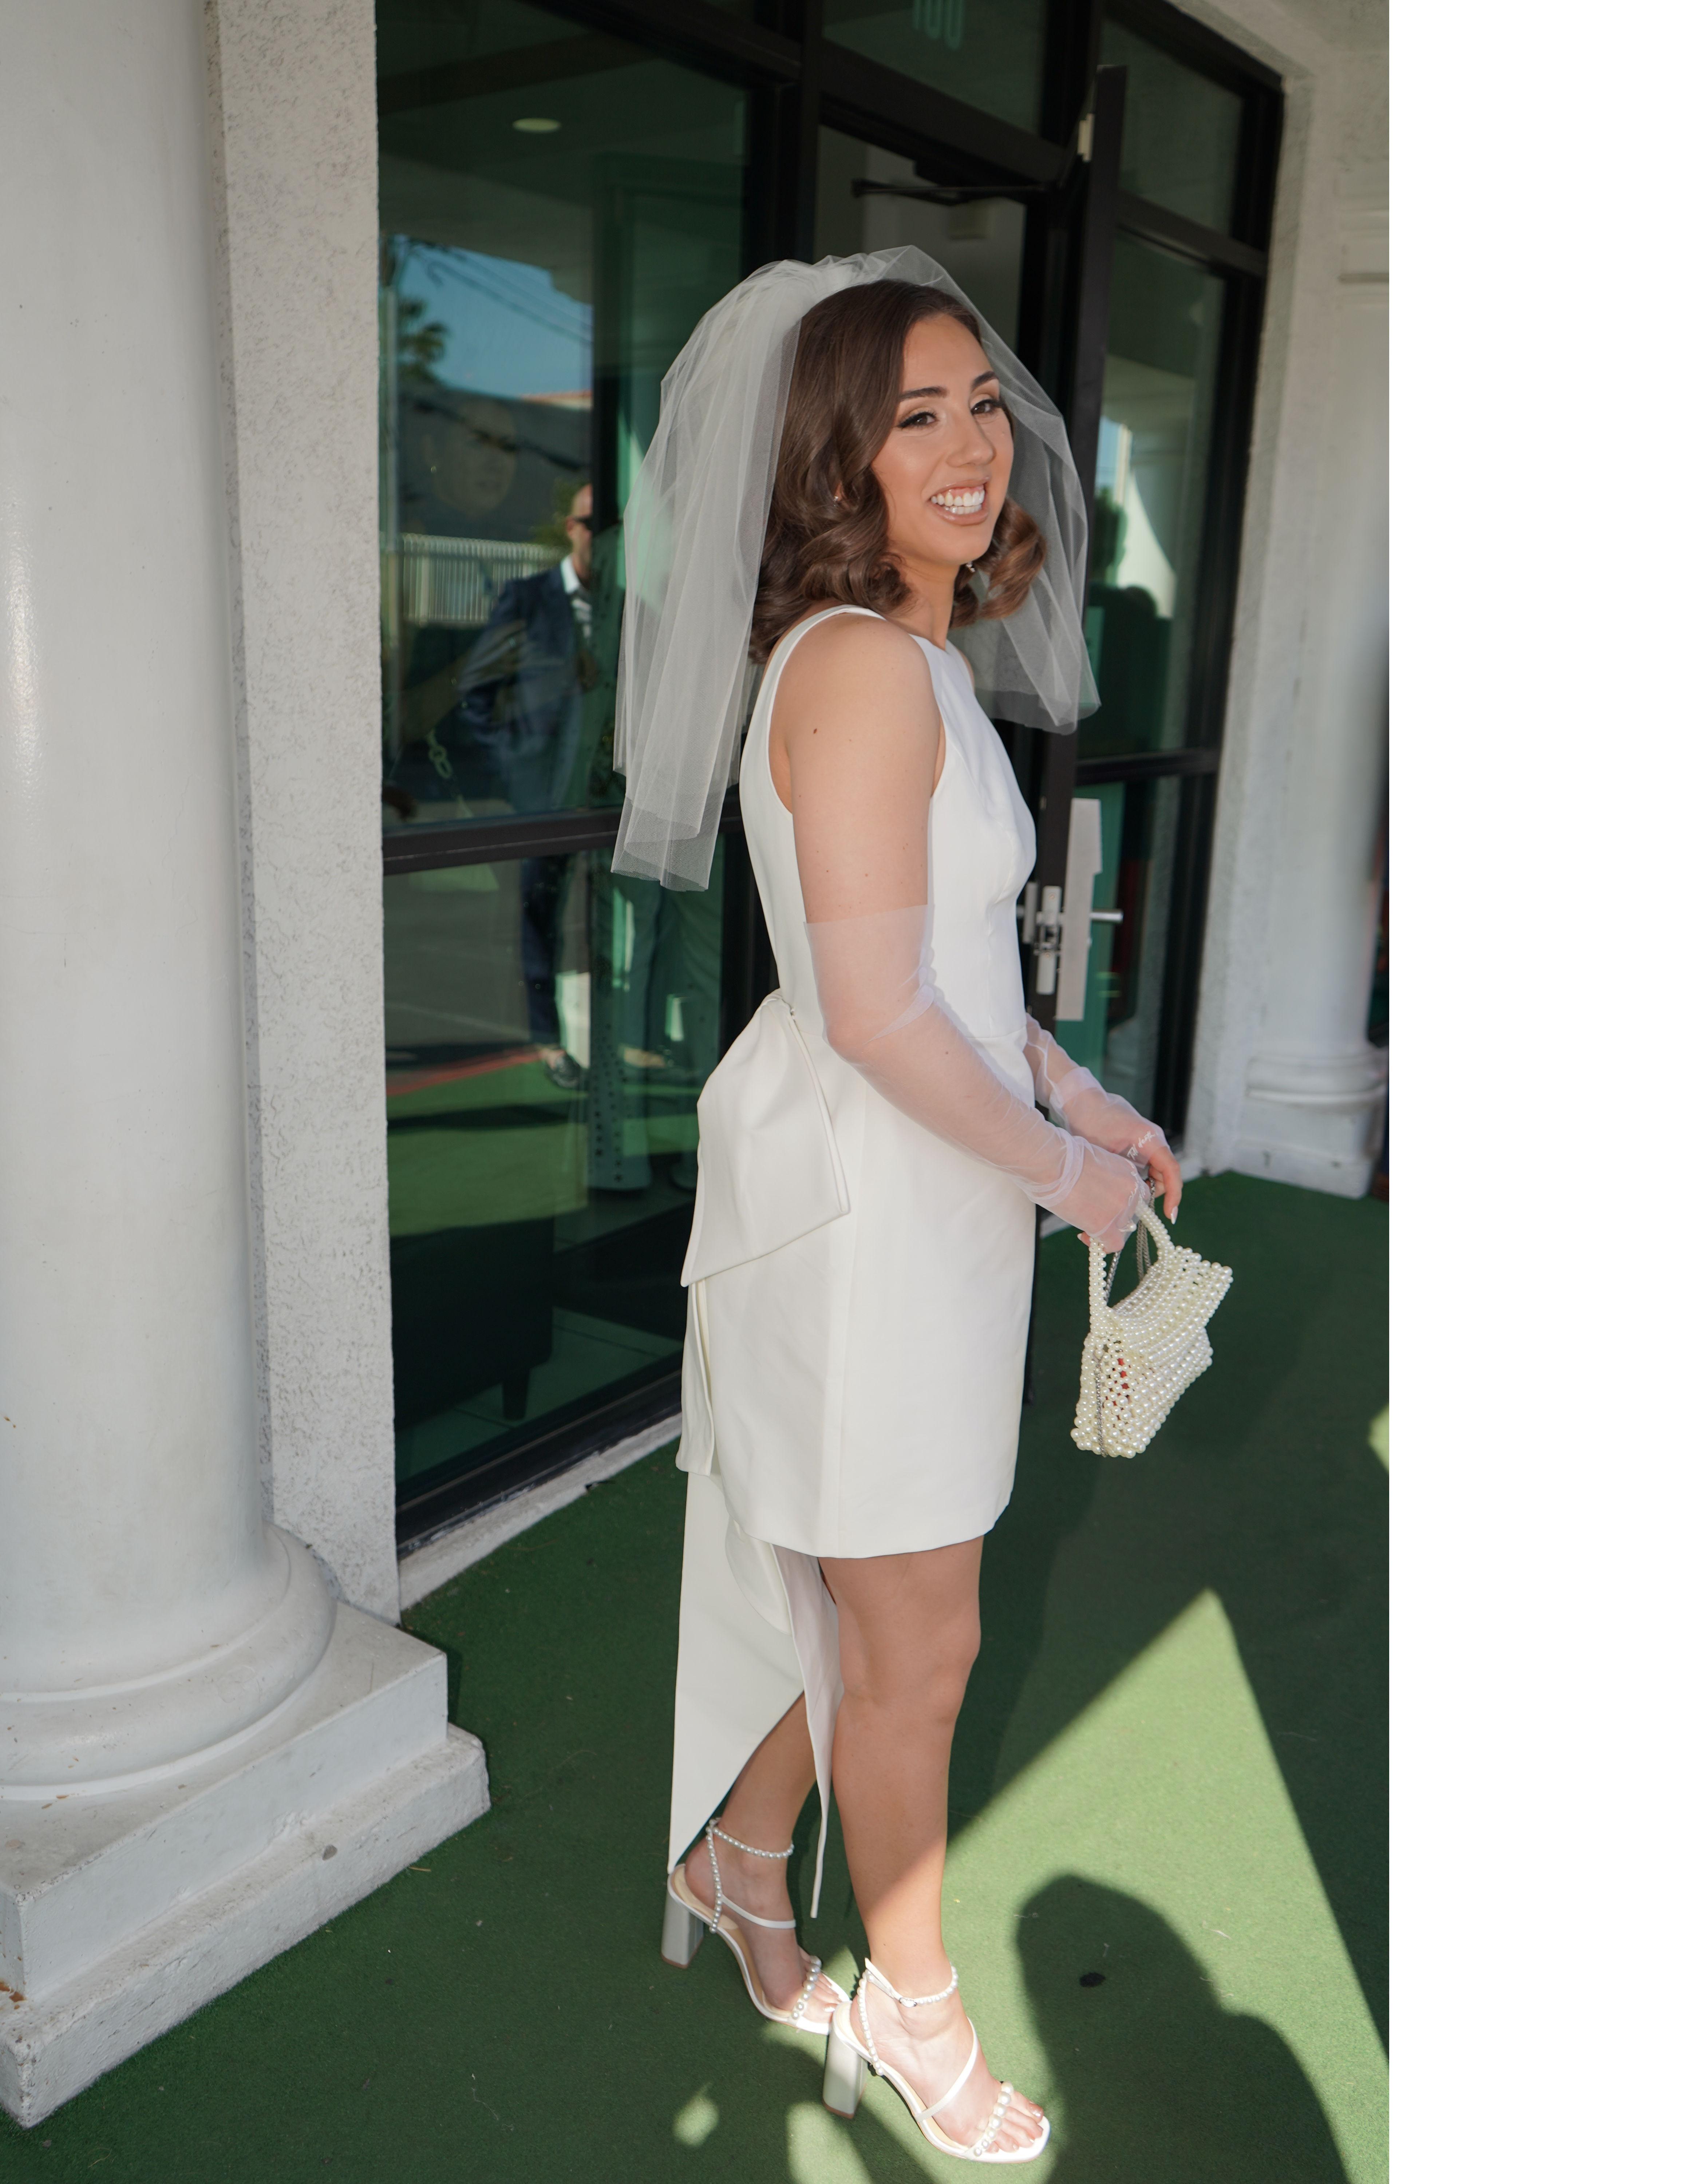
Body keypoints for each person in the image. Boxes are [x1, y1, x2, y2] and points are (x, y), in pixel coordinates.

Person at [615, 252, 1181, 2166]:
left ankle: (741, 1854)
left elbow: (950, 971)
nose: (969, 443)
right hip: (873, 1217)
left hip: (928, 1195)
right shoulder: (860, 663)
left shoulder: (915, 656)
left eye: (981, 404)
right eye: (912, 415)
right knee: (917, 1644)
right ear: (835, 461)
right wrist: (1067, 1173)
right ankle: (915, 2013)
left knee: (882, 1615)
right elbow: (872, 1013)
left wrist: (1080, 1098)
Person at [457, 483, 604, 1088]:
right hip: (542, 797)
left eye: (612, 527)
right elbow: (475, 691)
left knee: (598, 921)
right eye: (592, 523)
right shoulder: (526, 598)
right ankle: (548, 1040)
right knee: (539, 915)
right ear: (570, 528)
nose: (602, 538)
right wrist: (513, 768)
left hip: (603, 798)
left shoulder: (624, 605)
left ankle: (610, 1041)